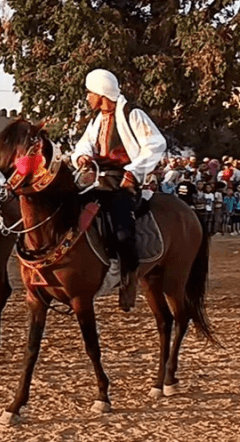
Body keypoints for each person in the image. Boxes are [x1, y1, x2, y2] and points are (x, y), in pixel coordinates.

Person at [71, 68, 166, 312]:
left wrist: (133, 172)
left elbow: (156, 144)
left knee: (122, 225)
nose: (87, 98)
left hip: (123, 179)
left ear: (101, 94)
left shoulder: (131, 114)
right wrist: (82, 157)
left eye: (90, 93)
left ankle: (128, 276)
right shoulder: (96, 120)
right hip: (97, 179)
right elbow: (85, 144)